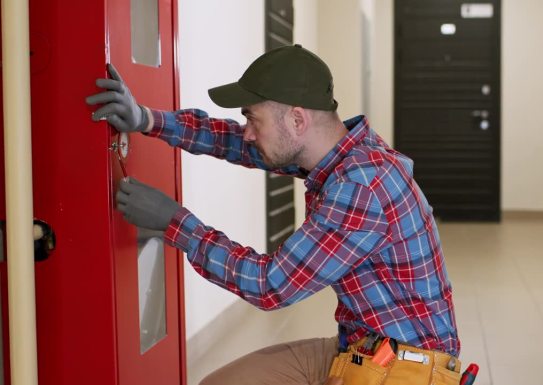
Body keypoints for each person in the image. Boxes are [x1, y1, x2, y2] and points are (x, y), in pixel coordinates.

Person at [86, 44, 461, 385]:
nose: (247, 132)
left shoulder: (360, 186)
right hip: (362, 347)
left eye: (253, 119)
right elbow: (237, 143)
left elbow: (271, 285)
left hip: (406, 370)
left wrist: (174, 221)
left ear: (297, 120)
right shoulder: (340, 151)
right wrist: (147, 119)